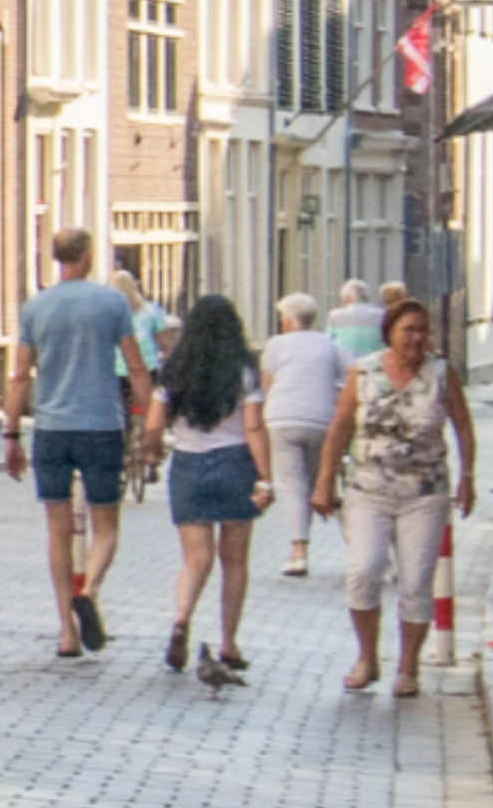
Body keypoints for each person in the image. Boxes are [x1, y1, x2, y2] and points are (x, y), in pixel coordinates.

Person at [312, 299, 477, 698]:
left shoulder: (441, 373)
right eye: (408, 330)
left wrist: (467, 476)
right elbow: (339, 429)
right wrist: (324, 480)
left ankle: (408, 667)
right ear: (389, 332)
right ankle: (367, 657)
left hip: (425, 492)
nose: (416, 338)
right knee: (364, 570)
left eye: (423, 330)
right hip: (368, 490)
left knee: (417, 581)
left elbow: (463, 427)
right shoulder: (364, 372)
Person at [6, 228, 154, 658]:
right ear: (87, 255)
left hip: (51, 429)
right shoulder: (111, 302)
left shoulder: (36, 307)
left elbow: (18, 376)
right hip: (101, 426)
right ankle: (88, 589)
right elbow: (135, 366)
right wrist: (146, 424)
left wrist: (11, 434)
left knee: (57, 530)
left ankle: (66, 633)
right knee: (105, 525)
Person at [139, 294, 274, 673]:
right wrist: (266, 478)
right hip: (234, 463)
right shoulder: (244, 370)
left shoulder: (174, 370)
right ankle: (229, 642)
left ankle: (182, 616)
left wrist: (152, 452)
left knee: (196, 559)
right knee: (235, 561)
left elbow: (153, 424)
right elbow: (254, 427)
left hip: (188, 464)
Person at [263, 292, 350, 578]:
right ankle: (357, 547)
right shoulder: (329, 345)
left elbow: (266, 385)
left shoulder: (276, 345)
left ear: (287, 321)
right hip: (321, 421)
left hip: (282, 419)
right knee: (317, 485)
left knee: (292, 485)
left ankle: (299, 552)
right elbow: (353, 374)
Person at [110, 273, 172, 483]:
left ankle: (119, 461)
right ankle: (152, 459)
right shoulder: (151, 311)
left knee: (119, 416)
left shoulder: (110, 313)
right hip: (147, 369)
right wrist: (165, 354)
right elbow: (162, 340)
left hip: (117, 370)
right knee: (152, 413)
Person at [329, 280, 388, 358]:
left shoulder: (336, 315)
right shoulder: (382, 315)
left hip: (347, 365)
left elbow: (329, 342)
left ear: (347, 298)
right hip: (376, 363)